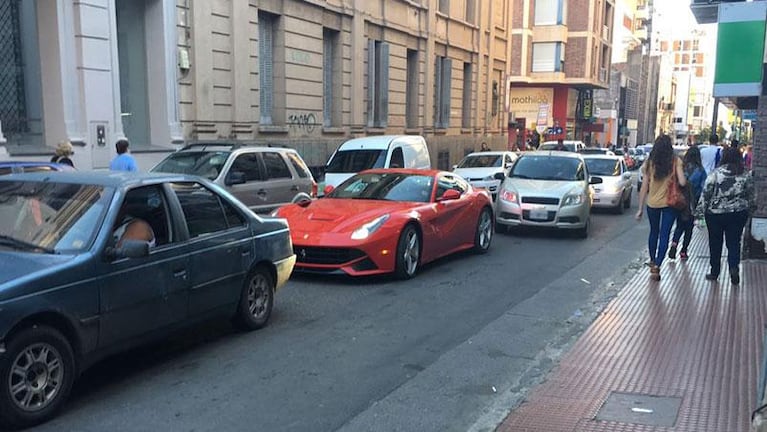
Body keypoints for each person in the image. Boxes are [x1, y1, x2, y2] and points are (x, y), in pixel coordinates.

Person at [696, 146, 755, 284]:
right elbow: (751, 195)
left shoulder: (715, 174)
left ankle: (715, 271)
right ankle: (733, 267)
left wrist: (699, 214)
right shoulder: (745, 174)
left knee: (715, 242)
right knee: (734, 242)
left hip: (715, 214)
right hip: (738, 213)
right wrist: (750, 210)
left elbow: (706, 194)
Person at [635, 134, 687, 281]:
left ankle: (652, 260)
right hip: (670, 204)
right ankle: (658, 265)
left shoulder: (650, 163)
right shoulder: (676, 161)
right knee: (665, 235)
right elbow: (682, 182)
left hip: (652, 203)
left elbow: (644, 187)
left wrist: (640, 208)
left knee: (654, 232)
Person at [668, 145, 706, 261]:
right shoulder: (700, 171)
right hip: (692, 203)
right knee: (689, 229)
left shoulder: (682, 168)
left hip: (679, 201)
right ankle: (684, 251)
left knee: (679, 225)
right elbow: (703, 188)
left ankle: (674, 244)